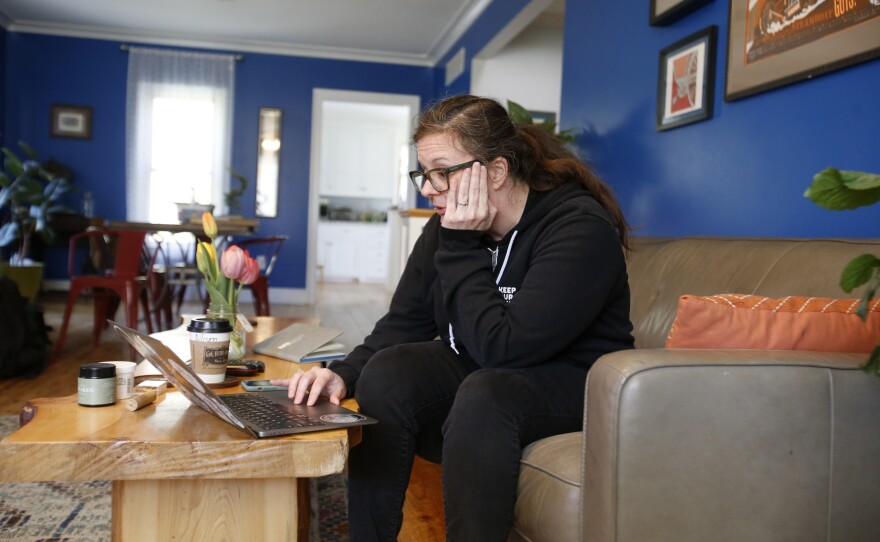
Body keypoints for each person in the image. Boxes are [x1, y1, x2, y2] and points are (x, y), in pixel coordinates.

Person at [272, 95, 635, 541]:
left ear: (496, 170)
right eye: (424, 173)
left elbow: (506, 350)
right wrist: (344, 374)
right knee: (388, 372)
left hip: (576, 379)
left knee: (487, 391)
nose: (427, 187)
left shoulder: (577, 227)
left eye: (442, 172)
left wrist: (461, 245)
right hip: (491, 368)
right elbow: (404, 321)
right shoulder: (444, 227)